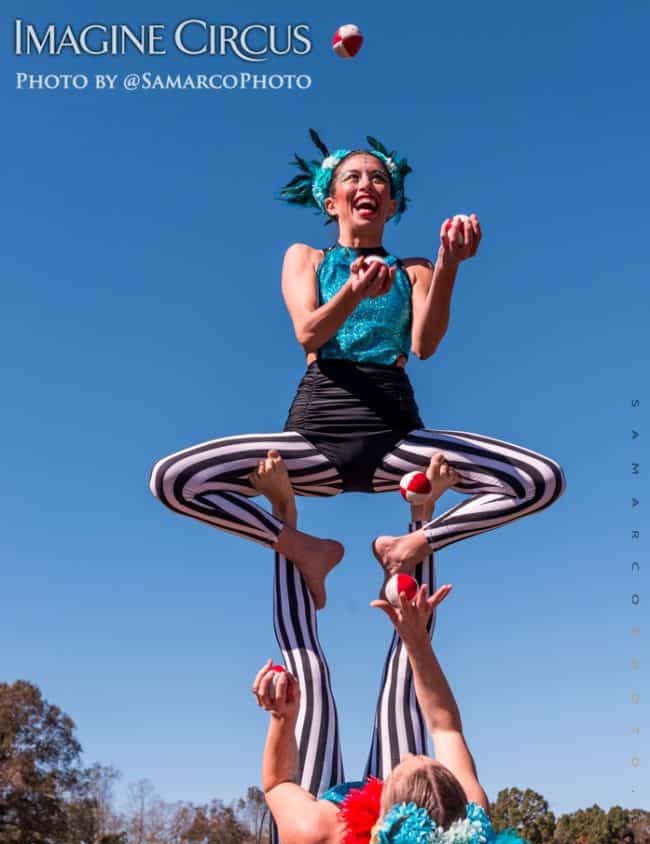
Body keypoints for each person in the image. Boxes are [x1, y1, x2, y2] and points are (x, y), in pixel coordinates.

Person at [150, 130, 565, 610]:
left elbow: (425, 345)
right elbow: (309, 334)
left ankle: (412, 544)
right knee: (172, 478)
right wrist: (352, 292)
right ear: (331, 202)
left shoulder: (413, 269)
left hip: (398, 439)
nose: (367, 183)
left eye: (378, 178)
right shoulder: (306, 257)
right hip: (314, 436)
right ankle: (305, 548)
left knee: (541, 478)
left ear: (391, 204)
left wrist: (450, 262)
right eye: (353, 177)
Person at [250, 452, 536, 844]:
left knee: (305, 675)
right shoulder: (464, 823)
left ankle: (284, 513)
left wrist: (282, 720)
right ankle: (421, 518)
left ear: (385, 804)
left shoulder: (321, 836)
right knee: (407, 670)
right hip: (402, 831)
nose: (407, 754)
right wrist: (416, 640)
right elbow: (444, 726)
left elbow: (278, 784)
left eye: (402, 764)